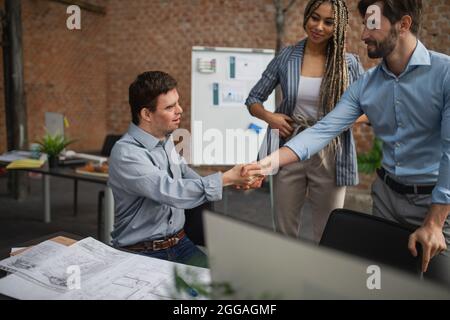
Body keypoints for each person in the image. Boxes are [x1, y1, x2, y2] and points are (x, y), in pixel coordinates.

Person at [244, 0, 450, 272]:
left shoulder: (445, 73)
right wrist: (264, 164)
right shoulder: (366, 85)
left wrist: (435, 221)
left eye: (372, 24)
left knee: (436, 284)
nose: (364, 34)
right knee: (387, 282)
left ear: (404, 24)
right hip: (386, 198)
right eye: (364, 24)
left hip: (436, 204)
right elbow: (322, 130)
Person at [108, 71, 259, 268]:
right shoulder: (126, 153)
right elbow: (172, 191)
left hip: (179, 243)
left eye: (177, 103)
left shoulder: (166, 141)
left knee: (225, 284)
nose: (180, 110)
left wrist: (238, 179)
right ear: (146, 114)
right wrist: (226, 179)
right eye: (170, 107)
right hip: (142, 251)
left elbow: (189, 179)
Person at [245, 0, 365, 243]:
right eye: (314, 18)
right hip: (289, 145)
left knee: (329, 230)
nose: (319, 26)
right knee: (284, 229)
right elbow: (254, 99)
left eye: (328, 22)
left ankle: (322, 277)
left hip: (331, 151)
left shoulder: (348, 63)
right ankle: (286, 275)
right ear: (306, 17)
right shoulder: (287, 56)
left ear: (338, 26)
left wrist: (338, 122)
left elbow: (369, 109)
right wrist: (270, 117)